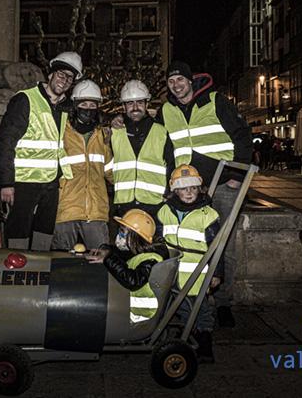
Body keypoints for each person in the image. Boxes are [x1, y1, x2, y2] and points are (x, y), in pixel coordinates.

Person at [156, 61, 252, 328]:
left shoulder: (214, 101)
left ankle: (223, 302)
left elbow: (242, 135)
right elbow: (160, 145)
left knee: (224, 244)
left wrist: (237, 176)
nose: (176, 85)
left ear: (190, 80)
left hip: (222, 183)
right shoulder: (166, 110)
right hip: (185, 187)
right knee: (186, 242)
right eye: (171, 81)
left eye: (180, 80)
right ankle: (191, 298)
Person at [0, 51, 82, 250]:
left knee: (44, 233)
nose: (64, 80)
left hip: (51, 184)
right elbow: (5, 142)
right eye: (61, 74)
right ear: (50, 74)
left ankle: (40, 266)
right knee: (18, 232)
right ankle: (17, 265)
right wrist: (6, 183)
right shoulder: (25, 100)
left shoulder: (66, 107)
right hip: (24, 181)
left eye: (70, 78)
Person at [157, 164, 223, 362]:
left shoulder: (207, 215)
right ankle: (187, 332)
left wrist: (217, 273)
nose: (189, 192)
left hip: (198, 274)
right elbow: (159, 240)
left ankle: (205, 343)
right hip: (172, 272)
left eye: (193, 188)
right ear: (175, 190)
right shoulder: (165, 211)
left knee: (200, 309)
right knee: (179, 306)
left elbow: (217, 247)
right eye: (183, 188)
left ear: (199, 189)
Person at [52, 80, 113, 251]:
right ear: (75, 105)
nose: (88, 108)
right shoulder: (61, 132)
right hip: (66, 209)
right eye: (83, 104)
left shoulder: (102, 135)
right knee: (61, 260)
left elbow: (110, 171)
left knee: (101, 260)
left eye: (92, 105)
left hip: (96, 212)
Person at [85, 209, 169, 324]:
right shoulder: (140, 251)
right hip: (128, 309)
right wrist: (107, 251)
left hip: (140, 316)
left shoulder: (151, 260)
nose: (119, 235)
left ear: (135, 236)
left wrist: (108, 258)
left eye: (122, 231)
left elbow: (133, 281)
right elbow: (123, 255)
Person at [109, 80, 173, 219]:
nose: (135, 107)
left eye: (139, 102)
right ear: (123, 106)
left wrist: (168, 193)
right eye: (130, 103)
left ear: (146, 104)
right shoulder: (114, 132)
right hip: (124, 203)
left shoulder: (161, 131)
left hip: (155, 203)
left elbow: (171, 164)